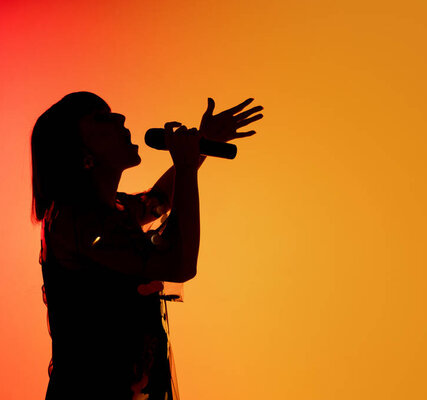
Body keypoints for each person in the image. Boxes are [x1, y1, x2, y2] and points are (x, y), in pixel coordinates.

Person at [30, 91, 263, 399]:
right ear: (77, 150)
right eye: (101, 117)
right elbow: (179, 264)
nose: (120, 119)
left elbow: (160, 201)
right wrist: (187, 168)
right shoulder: (76, 220)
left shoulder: (113, 211)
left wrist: (202, 144)